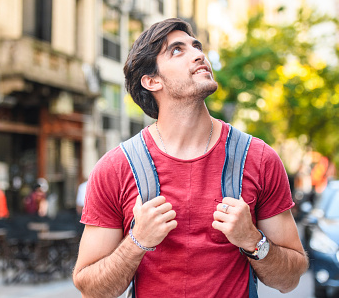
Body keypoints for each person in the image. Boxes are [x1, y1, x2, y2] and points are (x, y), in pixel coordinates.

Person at [73, 18, 308, 297]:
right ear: (151, 81)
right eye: (177, 50)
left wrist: (253, 240)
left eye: (196, 46)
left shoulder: (259, 159)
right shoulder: (115, 168)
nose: (199, 54)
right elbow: (90, 289)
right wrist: (137, 241)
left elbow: (290, 279)